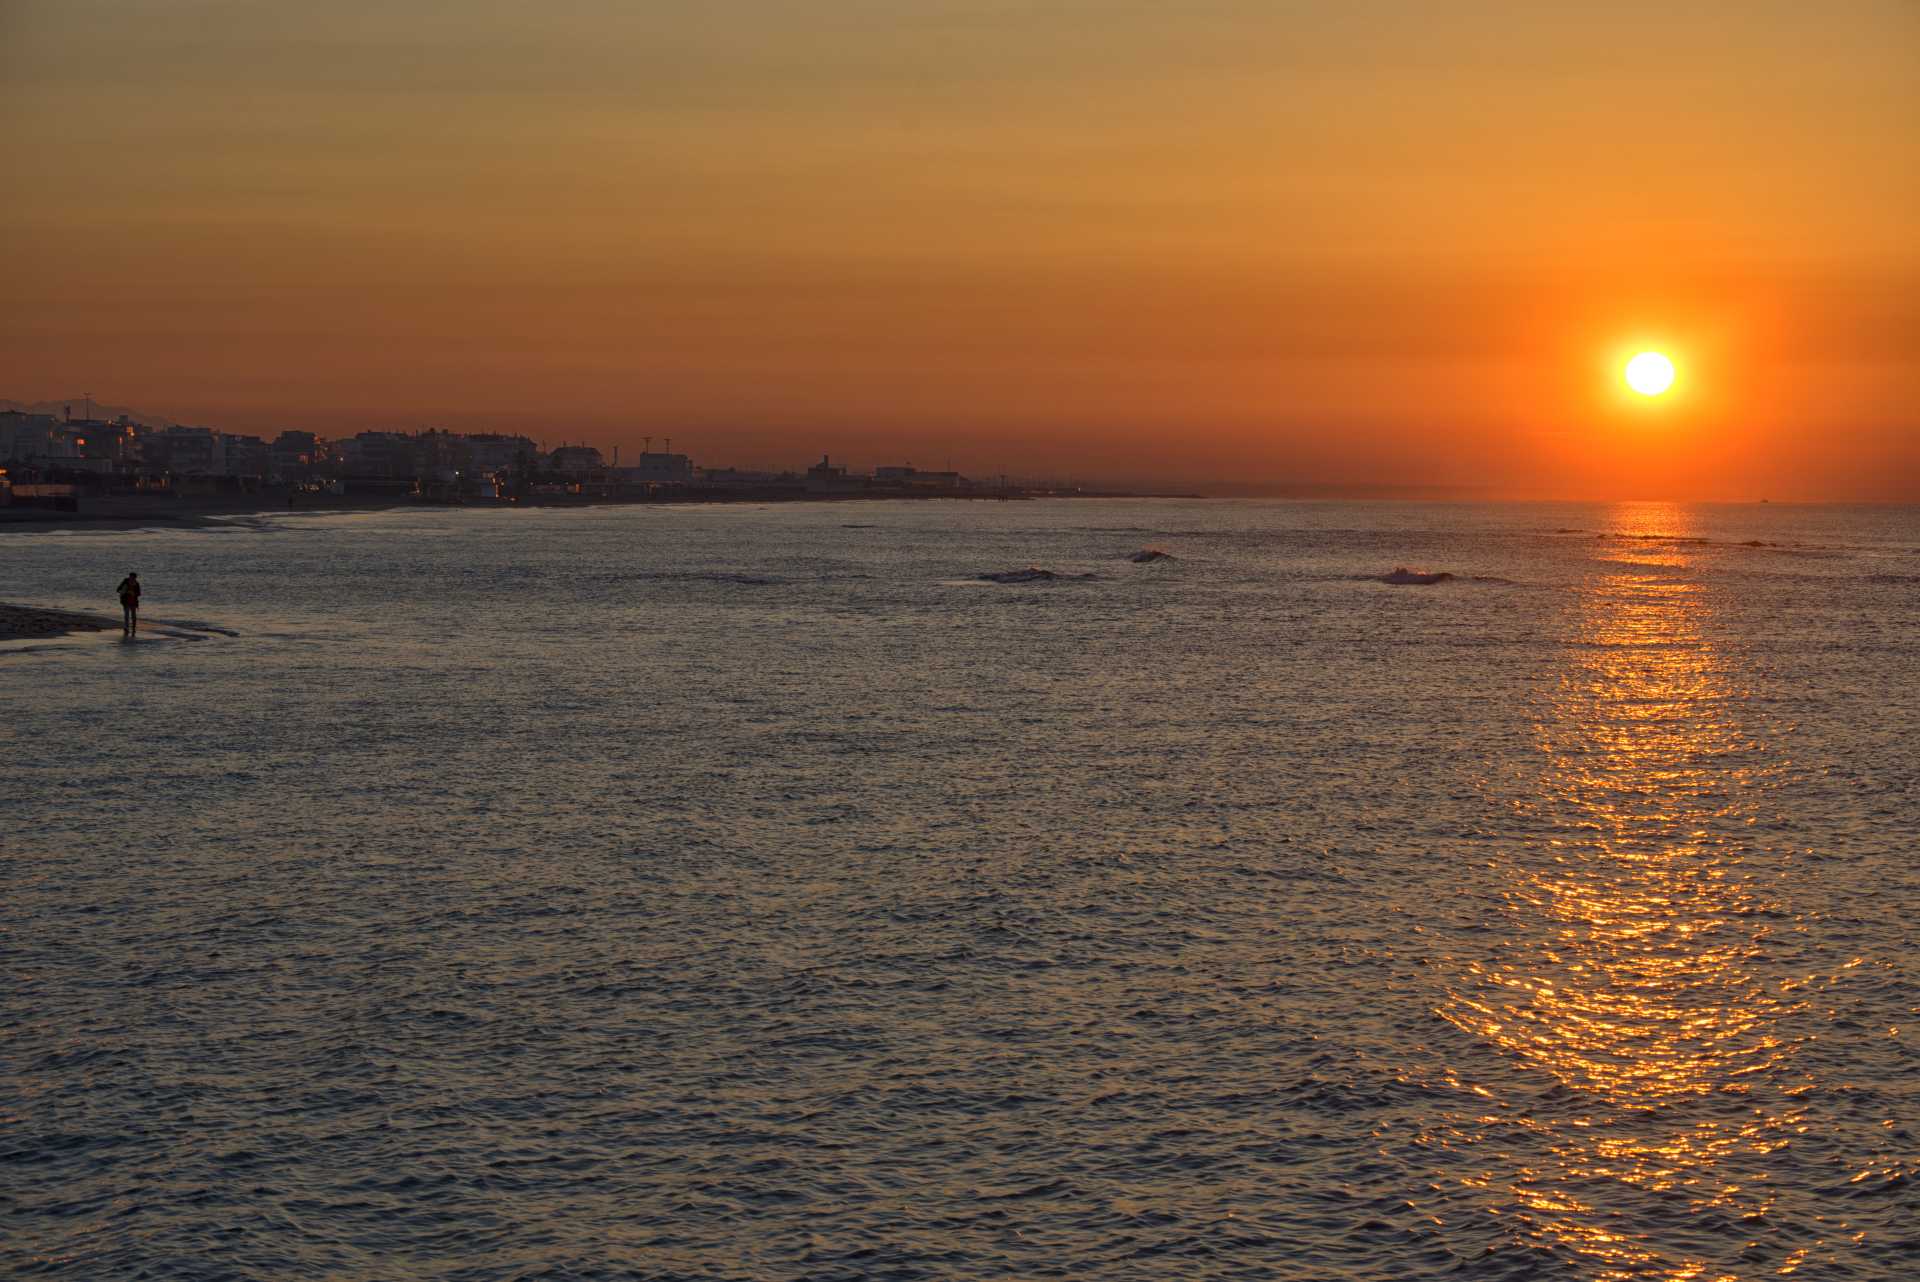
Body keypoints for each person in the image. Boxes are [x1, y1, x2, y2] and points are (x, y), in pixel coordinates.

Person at [116, 572, 141, 637]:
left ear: (135, 578)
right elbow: (118, 590)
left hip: (133, 602)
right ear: (129, 577)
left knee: (134, 616)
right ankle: (126, 627)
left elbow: (139, 593)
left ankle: (133, 628)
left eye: (133, 578)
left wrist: (134, 593)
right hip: (125, 601)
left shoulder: (137, 584)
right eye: (131, 577)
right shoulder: (125, 582)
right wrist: (127, 592)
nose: (132, 578)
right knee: (126, 615)